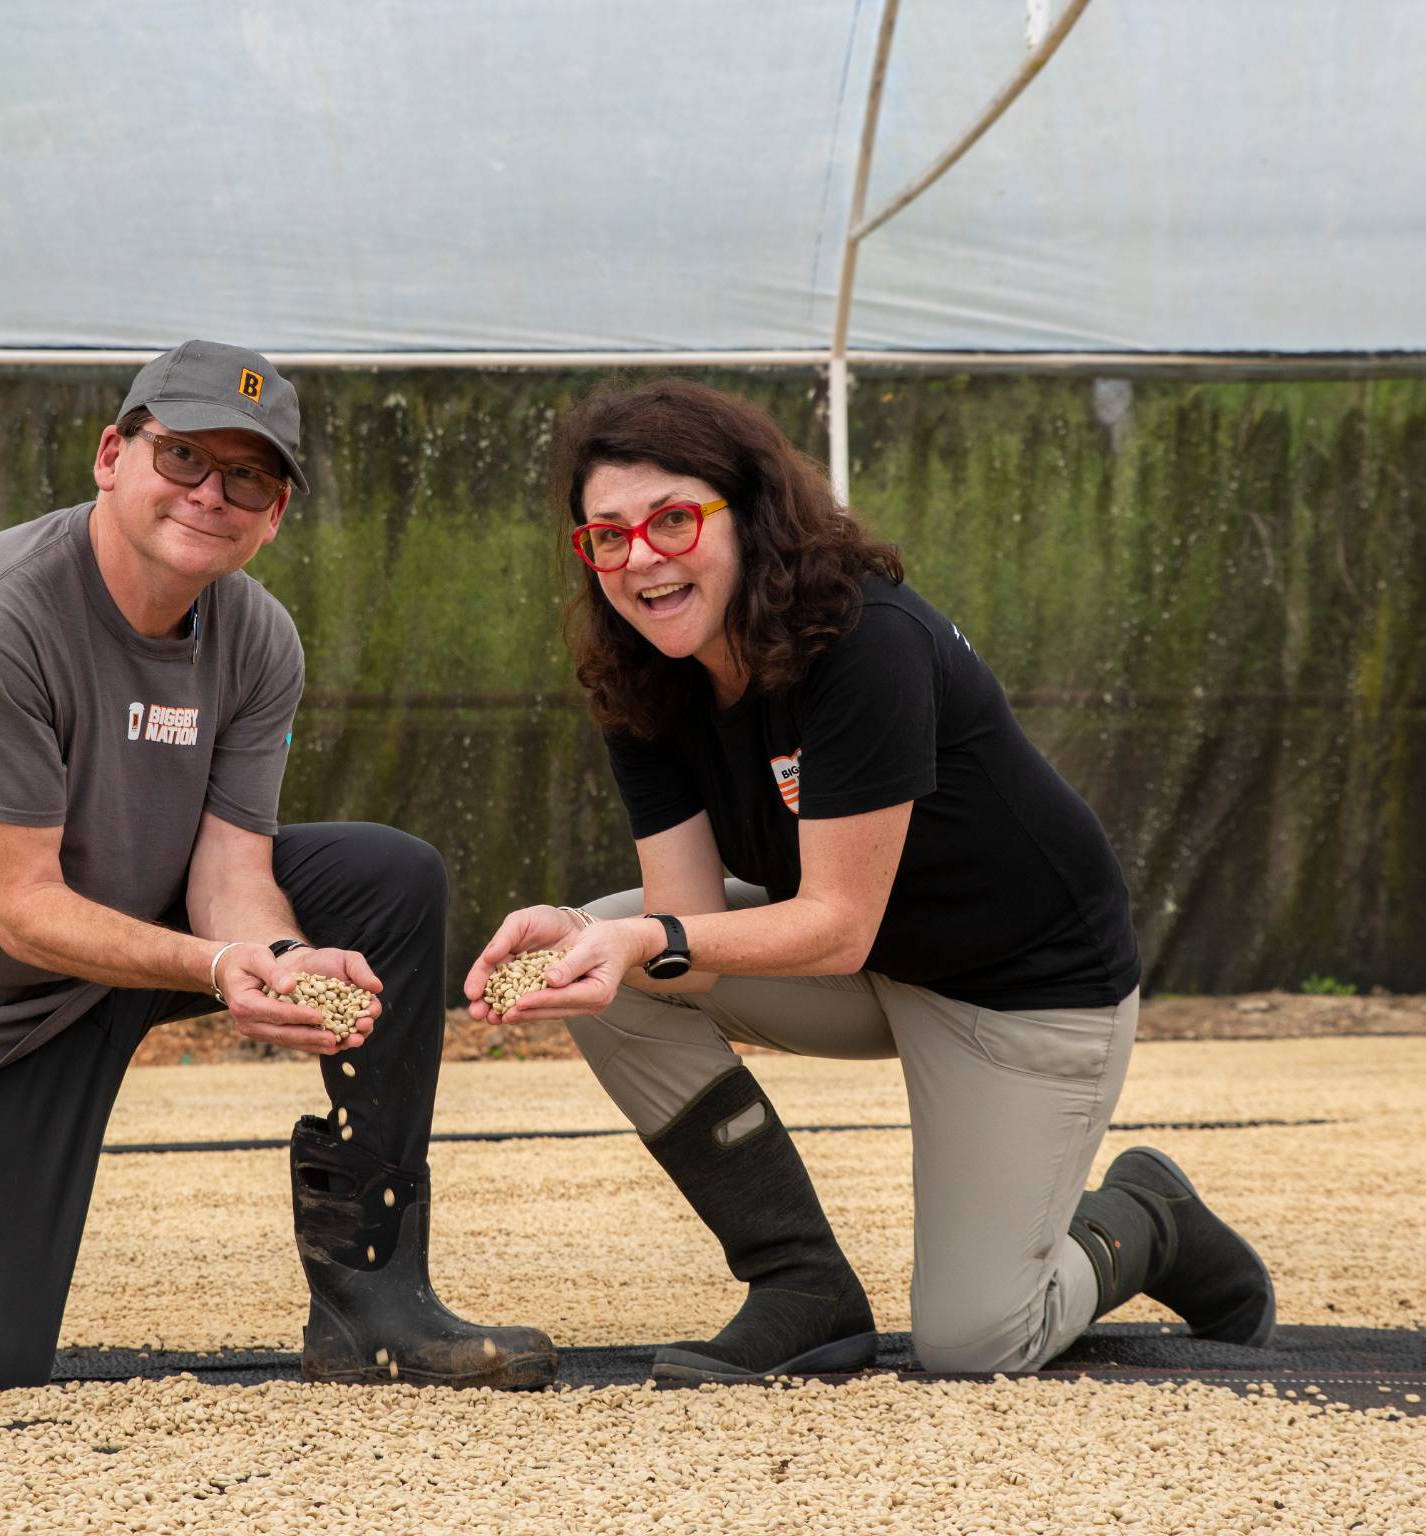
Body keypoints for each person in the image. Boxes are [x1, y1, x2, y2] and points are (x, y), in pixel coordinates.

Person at [0, 341, 556, 1393]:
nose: (214, 494)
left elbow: (231, 867)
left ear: (277, 511)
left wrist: (279, 956)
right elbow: (22, 915)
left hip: (134, 926)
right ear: (114, 454)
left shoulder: (256, 634)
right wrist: (215, 970)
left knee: (390, 876)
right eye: (186, 457)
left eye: (250, 476)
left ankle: (370, 1303)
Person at [465, 379, 1273, 1383]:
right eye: (608, 537)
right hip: (874, 964)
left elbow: (836, 926)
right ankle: (801, 1285)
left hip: (1026, 987)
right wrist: (578, 930)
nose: (643, 560)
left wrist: (643, 940)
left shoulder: (865, 640)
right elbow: (687, 935)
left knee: (979, 1340)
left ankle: (1146, 1216)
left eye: (673, 520)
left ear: (749, 515)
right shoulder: (641, 678)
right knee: (596, 951)